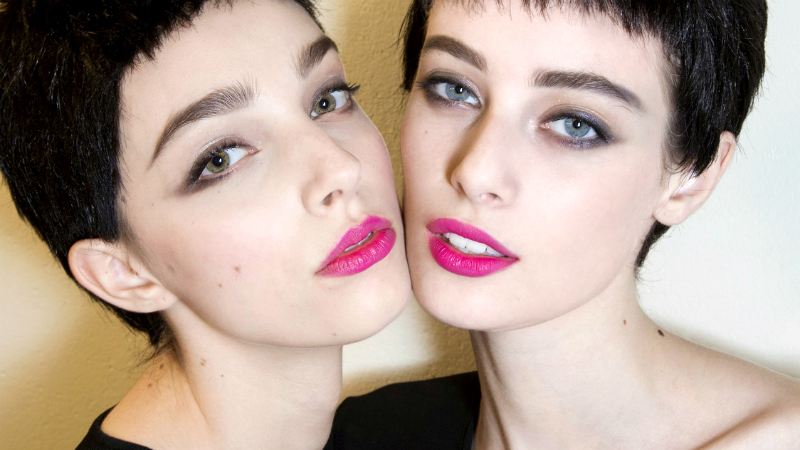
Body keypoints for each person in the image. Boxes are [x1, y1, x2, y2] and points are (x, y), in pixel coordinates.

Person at [330, 0, 800, 448]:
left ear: (691, 178)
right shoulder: (358, 433)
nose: (476, 173)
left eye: (575, 124)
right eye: (454, 89)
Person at [0, 0, 411, 449]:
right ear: (125, 273)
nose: (342, 168)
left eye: (327, 99)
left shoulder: (421, 424)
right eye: (221, 158)